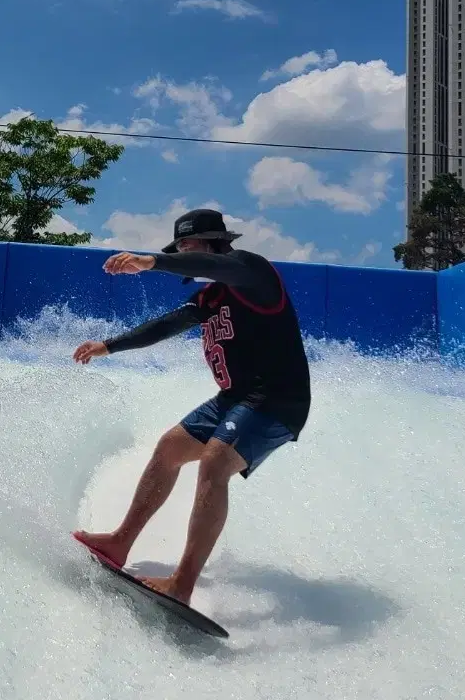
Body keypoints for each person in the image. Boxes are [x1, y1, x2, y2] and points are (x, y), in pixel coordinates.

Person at [72, 207, 310, 607]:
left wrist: (153, 260)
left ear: (216, 242)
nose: (183, 251)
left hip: (278, 398)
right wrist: (109, 345)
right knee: (168, 450)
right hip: (234, 399)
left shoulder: (252, 271)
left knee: (215, 463)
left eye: (188, 245)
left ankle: (181, 583)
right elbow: (166, 326)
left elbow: (212, 264)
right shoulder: (211, 297)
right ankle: (119, 542)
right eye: (177, 246)